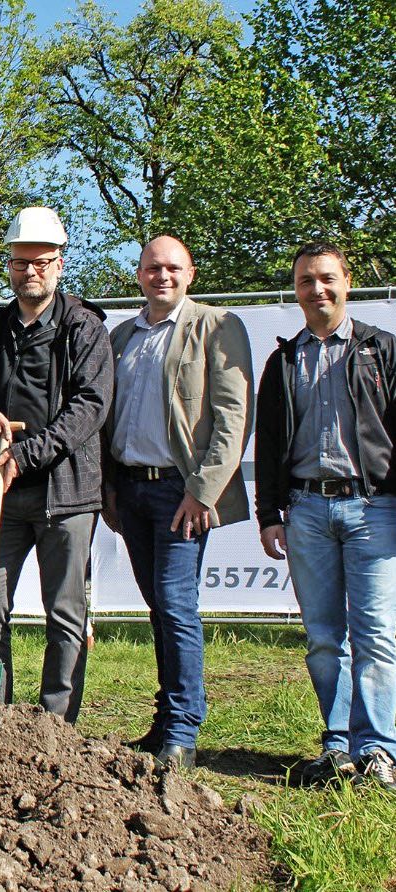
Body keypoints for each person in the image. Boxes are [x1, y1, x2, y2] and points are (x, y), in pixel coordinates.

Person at [0, 206, 113, 723]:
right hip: (3, 492)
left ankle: (55, 724)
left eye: (41, 262)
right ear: (10, 266)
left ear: (59, 264)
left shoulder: (83, 327)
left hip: (66, 495)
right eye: (21, 263)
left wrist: (27, 453)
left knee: (65, 615)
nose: (31, 272)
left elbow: (90, 405)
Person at [103, 236, 254, 769]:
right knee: (159, 608)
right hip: (131, 488)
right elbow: (108, 420)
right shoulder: (122, 335)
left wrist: (201, 492)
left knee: (175, 604)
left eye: (172, 268)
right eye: (151, 267)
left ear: (190, 273)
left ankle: (183, 732)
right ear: (138, 274)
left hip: (181, 491)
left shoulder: (217, 326)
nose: (161, 275)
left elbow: (232, 419)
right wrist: (110, 488)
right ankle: (165, 721)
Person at [256, 242, 396, 791]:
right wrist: (271, 515)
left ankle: (378, 752)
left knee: (377, 636)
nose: (317, 290)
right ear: (295, 290)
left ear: (347, 281)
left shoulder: (381, 351)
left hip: (373, 508)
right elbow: (268, 447)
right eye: (306, 281)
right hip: (307, 510)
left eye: (327, 278)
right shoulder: (284, 360)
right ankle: (338, 746)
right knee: (322, 638)